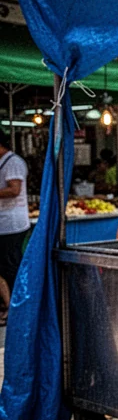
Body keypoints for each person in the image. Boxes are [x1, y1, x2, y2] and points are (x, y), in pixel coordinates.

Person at [0, 129, 29, 325]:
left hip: (12, 224)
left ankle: (16, 306)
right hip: (4, 223)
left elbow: (14, 189)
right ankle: (9, 304)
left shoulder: (13, 163)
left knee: (10, 266)